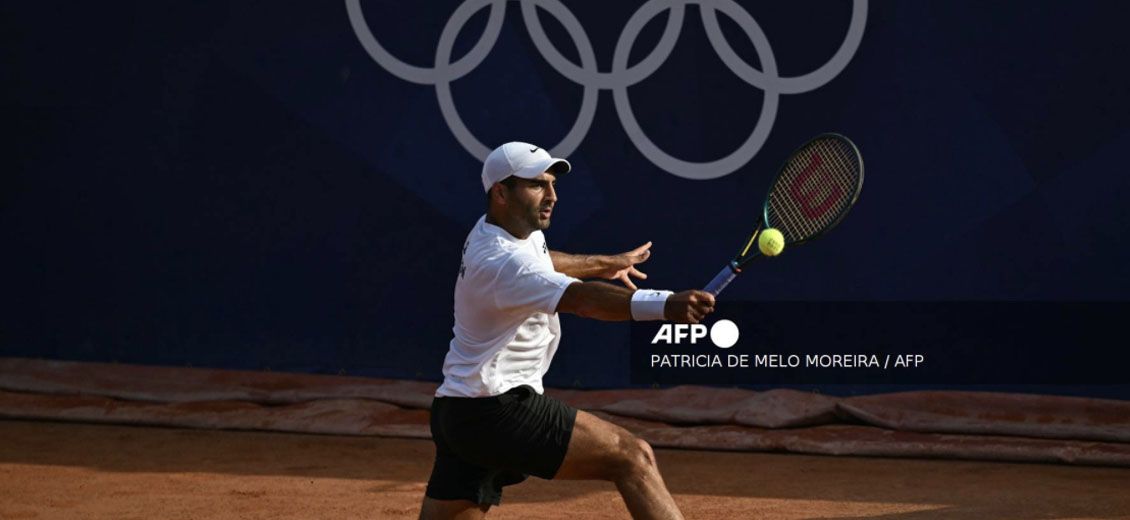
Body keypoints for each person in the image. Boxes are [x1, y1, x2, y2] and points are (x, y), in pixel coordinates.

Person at [420, 142, 715, 520]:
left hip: (458, 411)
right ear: (501, 193)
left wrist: (604, 263)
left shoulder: (496, 231)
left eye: (553, 184)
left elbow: (542, 262)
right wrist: (665, 304)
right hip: (499, 411)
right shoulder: (504, 263)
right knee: (632, 457)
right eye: (538, 185)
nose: (553, 196)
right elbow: (583, 301)